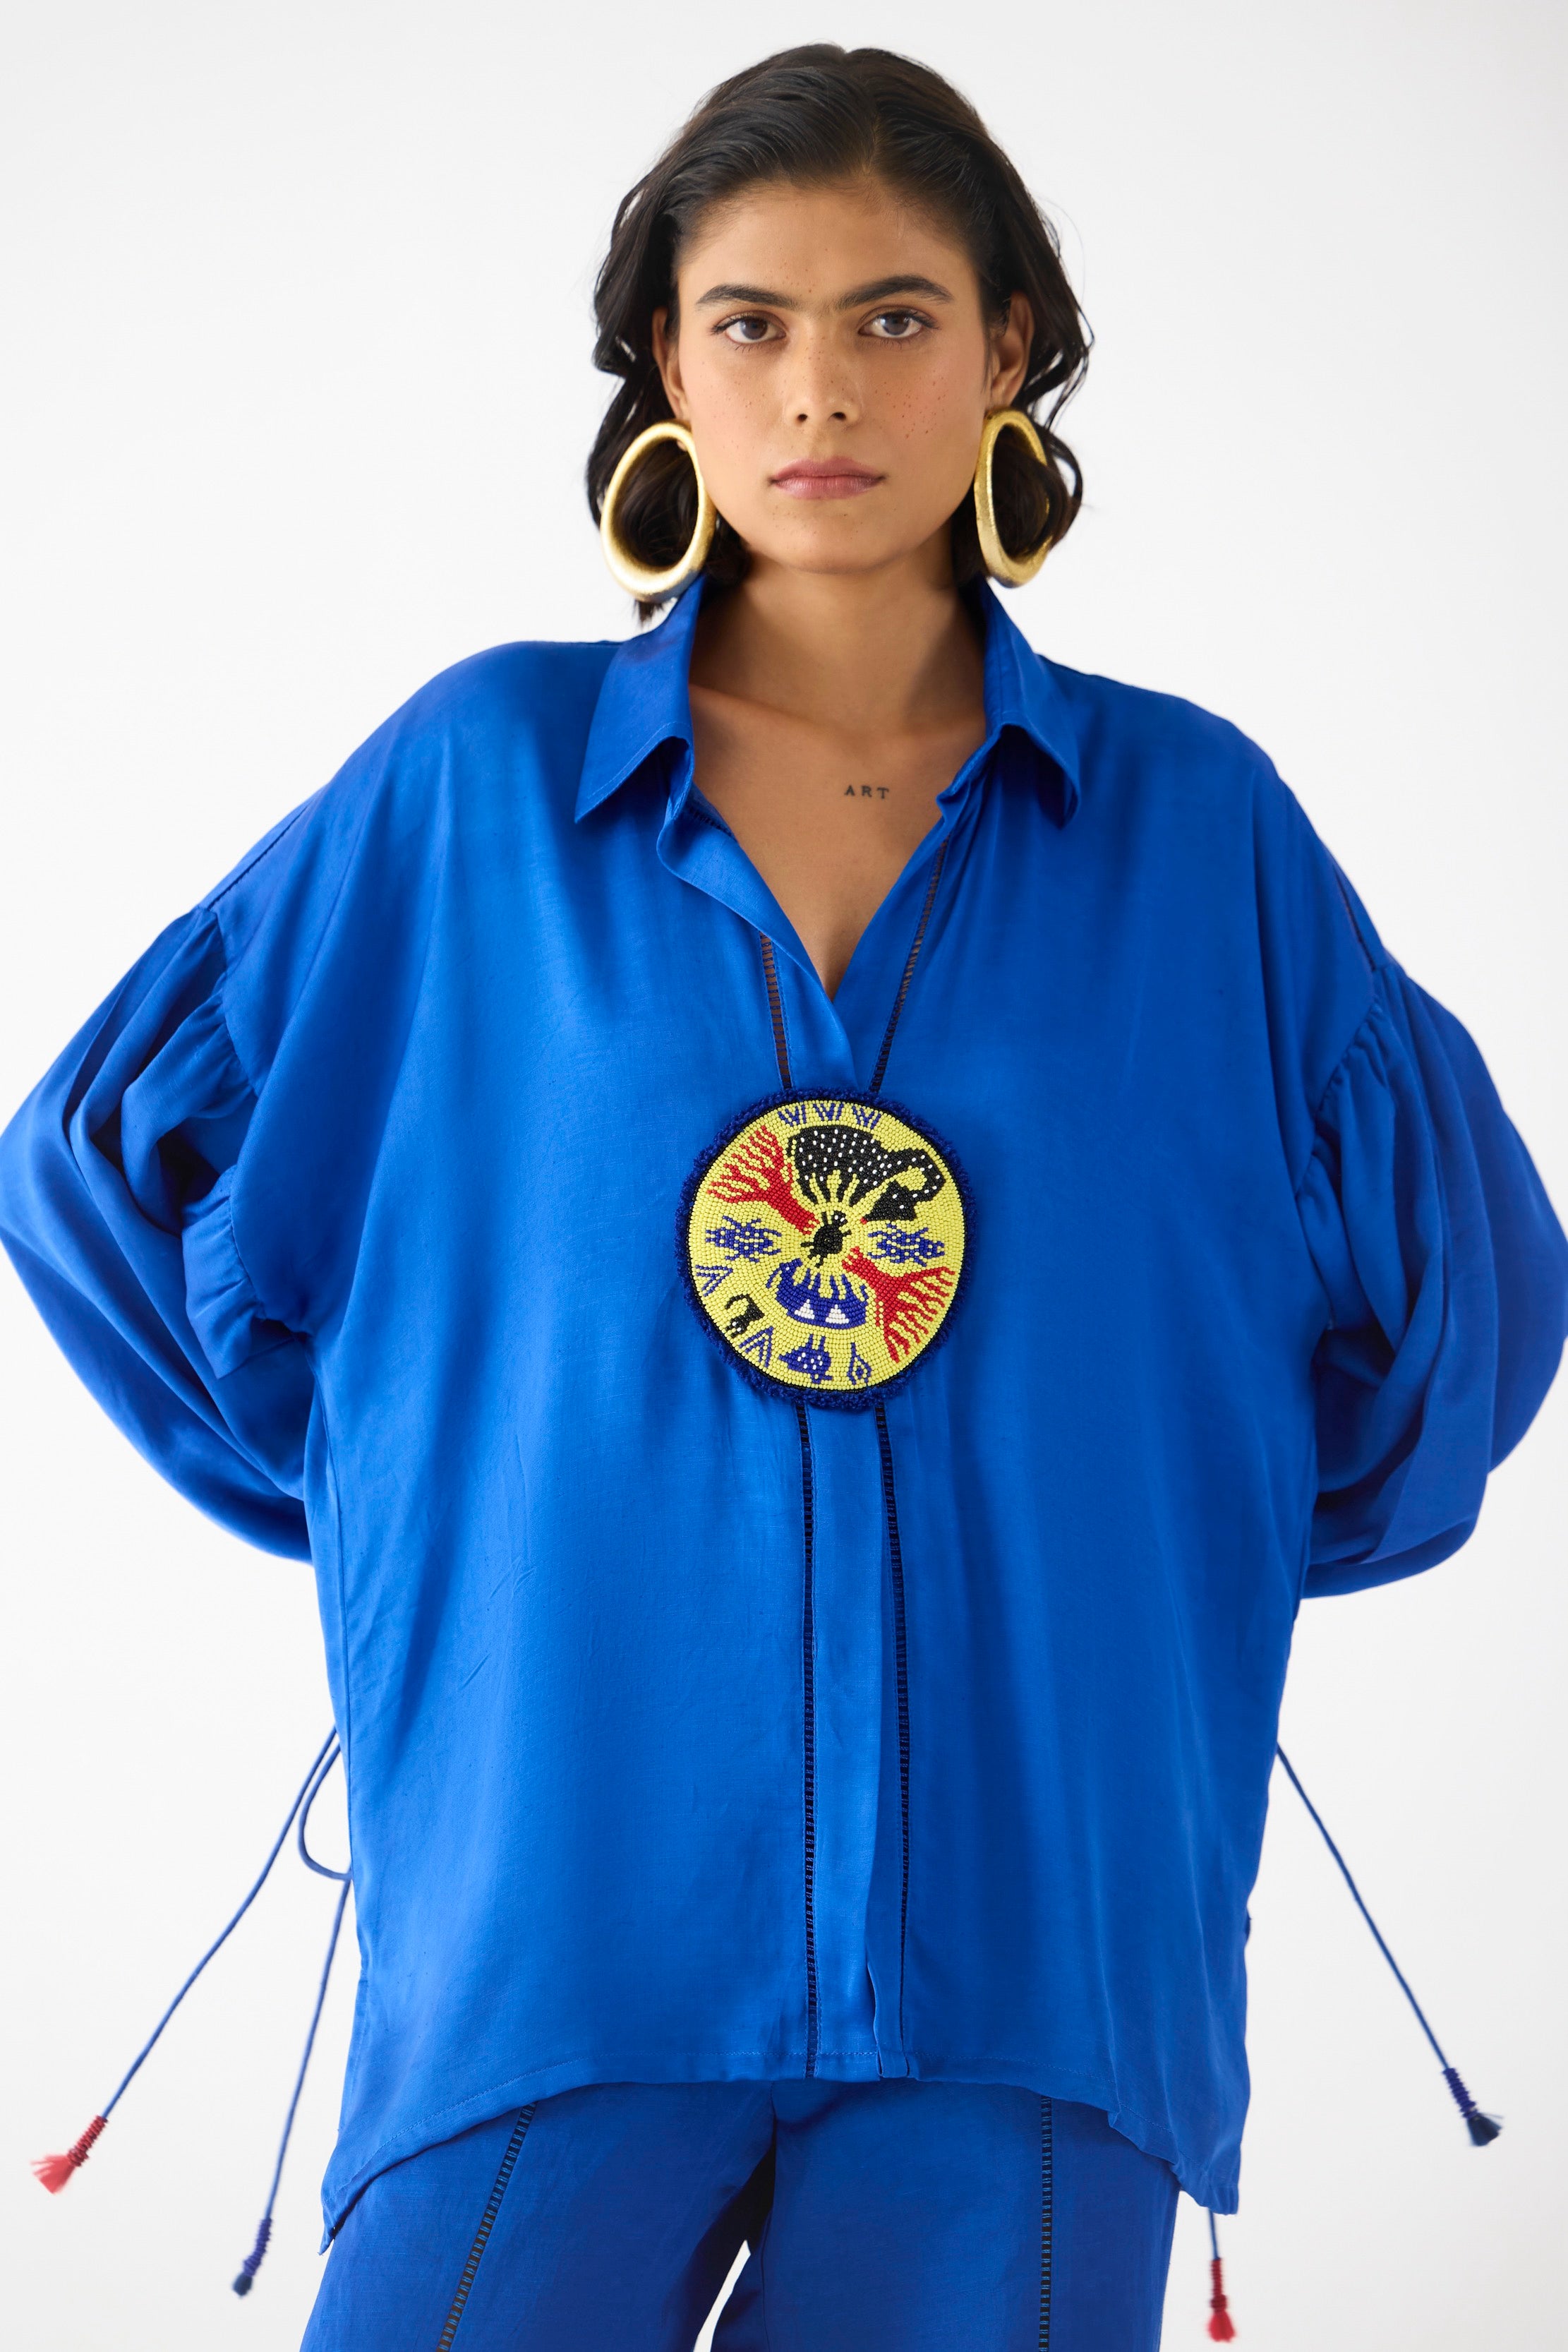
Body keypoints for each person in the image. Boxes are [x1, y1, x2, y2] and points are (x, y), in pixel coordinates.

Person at [2, 44, 1564, 2352]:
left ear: (1006, 346)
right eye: (751, 321)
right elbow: (102, 1163)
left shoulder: (1200, 835)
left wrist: (1164, 1531)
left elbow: (1467, 1302)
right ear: (666, 357)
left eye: (893, 316)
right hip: (557, 1910)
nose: (819, 386)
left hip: (1042, 1950)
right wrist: (423, 1513)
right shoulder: (474, 789)